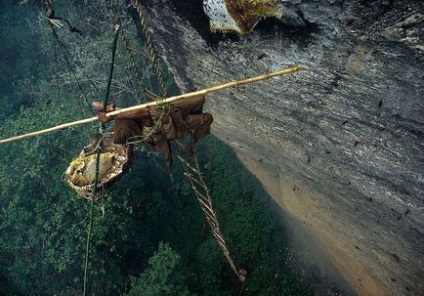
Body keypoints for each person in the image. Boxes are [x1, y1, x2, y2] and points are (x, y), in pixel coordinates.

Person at [93, 93, 213, 167]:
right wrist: (113, 115)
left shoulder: (133, 119)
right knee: (207, 118)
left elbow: (127, 113)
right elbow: (143, 112)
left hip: (168, 110)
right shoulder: (146, 133)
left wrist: (110, 110)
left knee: (200, 98)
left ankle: (190, 144)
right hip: (176, 124)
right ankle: (191, 145)